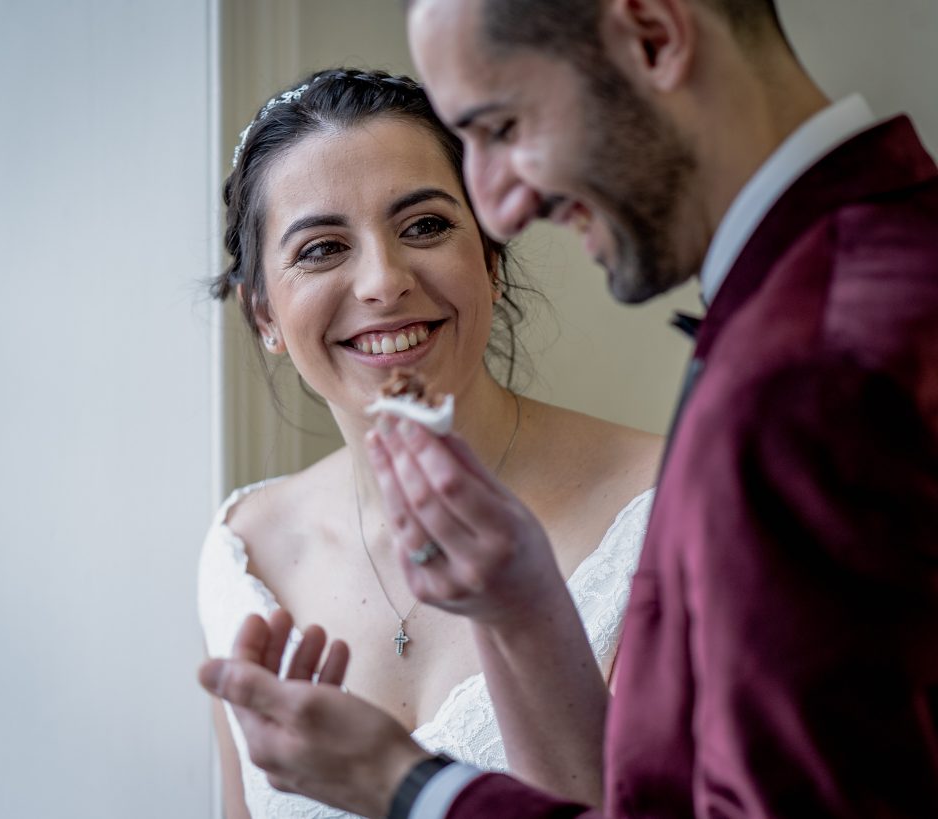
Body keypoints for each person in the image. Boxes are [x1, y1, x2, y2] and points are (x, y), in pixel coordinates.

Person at [199, 1, 938, 816]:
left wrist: (409, 785)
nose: (505, 208)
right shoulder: (852, 288)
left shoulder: (809, 369)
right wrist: (523, 605)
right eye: (321, 246)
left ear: (654, 37)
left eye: (505, 125)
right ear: (260, 311)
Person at [198, 67, 662, 818]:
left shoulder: (663, 506)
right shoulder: (244, 552)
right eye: (321, 248)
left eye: (425, 227)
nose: (383, 281)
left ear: (491, 262)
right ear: (263, 317)